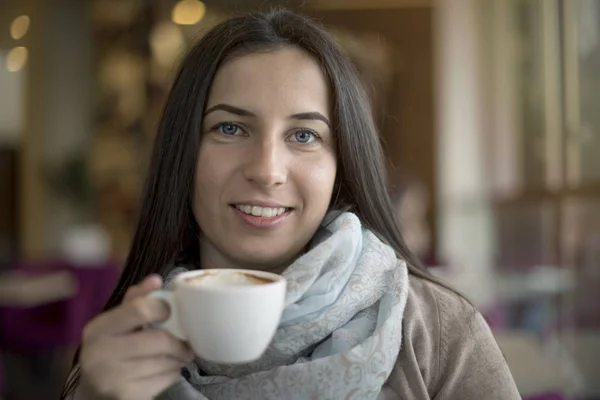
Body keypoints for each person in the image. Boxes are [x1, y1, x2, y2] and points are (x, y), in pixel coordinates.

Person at [62, 9, 520, 400]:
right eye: (230, 129)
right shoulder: (121, 357)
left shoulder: (438, 330)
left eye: (304, 136)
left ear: (342, 165)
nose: (266, 169)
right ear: (183, 152)